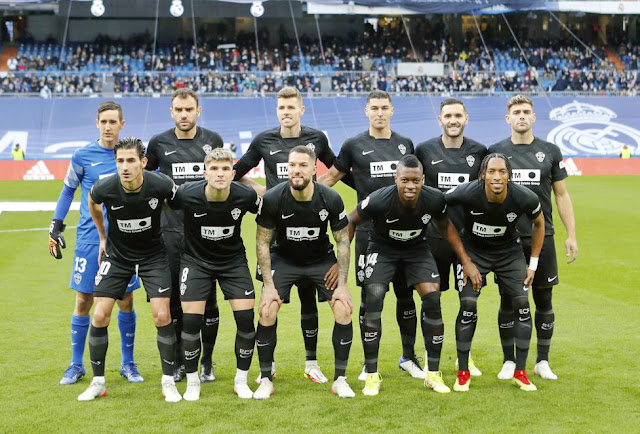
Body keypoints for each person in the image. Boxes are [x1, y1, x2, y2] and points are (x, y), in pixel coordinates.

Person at [233, 86, 350, 384]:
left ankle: (311, 363)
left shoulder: (317, 139)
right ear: (277, 111)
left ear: (301, 110)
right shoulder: (264, 140)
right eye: (281, 108)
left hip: (311, 233)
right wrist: (261, 190)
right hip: (276, 230)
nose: (286, 112)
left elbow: (338, 167)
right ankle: (267, 367)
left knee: (310, 300)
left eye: (291, 107)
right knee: (270, 301)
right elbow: (237, 170)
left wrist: (316, 192)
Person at [347, 155, 481, 396]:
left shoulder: (434, 199)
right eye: (405, 180)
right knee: (374, 298)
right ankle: (371, 374)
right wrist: (340, 260)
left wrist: (466, 260)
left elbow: (446, 227)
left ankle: (433, 374)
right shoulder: (379, 200)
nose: (410, 186)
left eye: (415, 180)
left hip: (417, 250)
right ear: (395, 179)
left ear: (423, 180)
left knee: (432, 298)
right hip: (382, 249)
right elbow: (350, 221)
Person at [319, 90, 423, 381]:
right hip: (368, 233)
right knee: (370, 298)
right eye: (374, 108)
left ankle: (409, 357)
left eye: (384, 108)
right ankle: (369, 363)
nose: (379, 112)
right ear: (366, 112)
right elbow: (330, 179)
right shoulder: (354, 145)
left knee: (406, 297)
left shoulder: (405, 144)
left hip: (404, 234)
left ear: (392, 111)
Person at [79, 137, 180, 402]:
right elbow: (92, 202)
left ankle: (168, 381)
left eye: (131, 160)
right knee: (99, 315)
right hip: (118, 257)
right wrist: (103, 237)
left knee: (161, 316)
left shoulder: (161, 184)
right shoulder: (105, 187)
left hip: (153, 256)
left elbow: (179, 205)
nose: (125, 166)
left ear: (143, 162)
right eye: (120, 161)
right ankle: (98, 382)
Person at [49, 101, 142, 386]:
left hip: (125, 241)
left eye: (113, 122)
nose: (108, 126)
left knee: (125, 300)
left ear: (122, 124)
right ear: (97, 123)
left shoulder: (130, 155)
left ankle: (128, 363)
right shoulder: (82, 156)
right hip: (90, 240)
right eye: (104, 122)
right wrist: (56, 224)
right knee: (83, 299)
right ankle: (76, 364)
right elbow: (67, 191)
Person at [253, 145, 355, 399]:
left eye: (302, 165)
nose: (296, 171)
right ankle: (266, 377)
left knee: (343, 307)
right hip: (284, 259)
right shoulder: (274, 198)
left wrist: (342, 283)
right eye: (292, 166)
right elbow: (262, 242)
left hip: (320, 260)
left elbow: (342, 241)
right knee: (267, 309)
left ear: (313, 169)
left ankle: (340, 379)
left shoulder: (330, 198)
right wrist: (268, 286)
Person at [489, 95, 578, 381]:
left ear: (534, 117)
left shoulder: (550, 151)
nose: (522, 116)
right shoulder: (496, 152)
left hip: (544, 236)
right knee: (508, 299)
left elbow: (561, 195)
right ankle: (508, 360)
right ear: (508, 118)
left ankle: (542, 360)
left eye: (526, 111)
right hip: (507, 240)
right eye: (516, 112)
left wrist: (571, 235)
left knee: (543, 298)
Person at [445, 153, 545, 392]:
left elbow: (539, 223)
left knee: (522, 304)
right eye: (492, 172)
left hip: (509, 253)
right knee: (468, 305)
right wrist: (465, 261)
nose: (497, 177)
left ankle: (520, 372)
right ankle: (462, 372)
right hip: (474, 252)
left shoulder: (524, 197)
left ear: (509, 175)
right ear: (483, 175)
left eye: (502, 171)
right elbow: (442, 215)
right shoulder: (467, 192)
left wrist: (532, 265)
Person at [146, 88, 224, 383]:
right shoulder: (158, 144)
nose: (184, 114)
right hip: (171, 235)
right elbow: (146, 181)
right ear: (171, 111)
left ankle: (207, 362)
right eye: (178, 110)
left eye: (189, 109)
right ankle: (179, 361)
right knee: (177, 301)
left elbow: (223, 178)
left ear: (198, 111)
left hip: (206, 234)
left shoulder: (212, 141)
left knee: (209, 303)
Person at [169, 148, 259, 401]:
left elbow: (268, 216)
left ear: (232, 173)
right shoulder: (187, 194)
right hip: (195, 262)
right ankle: (193, 381)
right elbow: (162, 208)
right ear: (205, 172)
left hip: (232, 263)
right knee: (191, 323)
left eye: (225, 169)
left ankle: (241, 380)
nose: (220, 174)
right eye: (214, 169)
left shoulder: (245, 196)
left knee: (245, 320)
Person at [415, 98, 488, 377]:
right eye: (448, 115)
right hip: (432, 240)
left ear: (466, 119)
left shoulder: (480, 152)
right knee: (431, 299)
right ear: (440, 119)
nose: (453, 120)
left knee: (468, 300)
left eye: (458, 115)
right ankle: (428, 353)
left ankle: (464, 358)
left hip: (469, 242)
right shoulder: (424, 150)